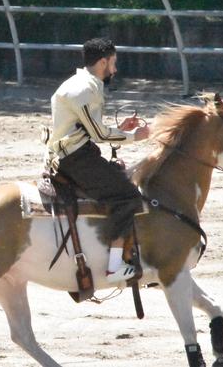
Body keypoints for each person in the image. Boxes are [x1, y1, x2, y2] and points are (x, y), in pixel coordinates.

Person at [46, 37, 150, 283]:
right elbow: (99, 134)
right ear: (103, 61)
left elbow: (90, 128)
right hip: (76, 158)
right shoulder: (84, 89)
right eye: (113, 63)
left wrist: (120, 129)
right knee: (128, 196)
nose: (115, 69)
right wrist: (135, 136)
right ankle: (115, 267)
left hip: (74, 153)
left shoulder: (82, 84)